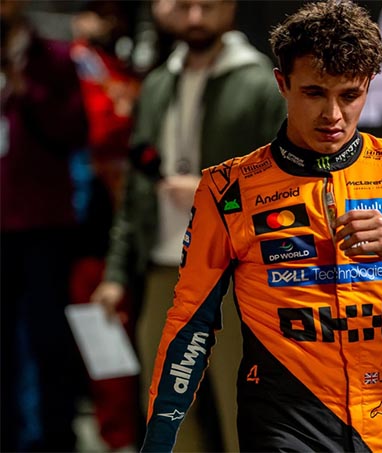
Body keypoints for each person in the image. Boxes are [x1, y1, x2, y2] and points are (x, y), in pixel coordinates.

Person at [141, 1, 382, 452]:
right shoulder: (227, 188)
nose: (333, 114)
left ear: (369, 85)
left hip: (380, 430)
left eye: (349, 95)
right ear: (282, 84)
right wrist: (158, 442)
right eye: (314, 93)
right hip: (282, 426)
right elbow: (190, 325)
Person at [89, 0, 286, 450]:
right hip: (165, 267)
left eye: (206, 6)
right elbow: (135, 190)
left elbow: (285, 180)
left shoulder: (258, 82)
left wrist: (211, 190)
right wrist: (116, 274)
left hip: (235, 271)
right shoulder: (159, 83)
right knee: (165, 415)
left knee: (242, 407)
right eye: (183, 6)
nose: (195, 17)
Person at [0, 0, 89, 450]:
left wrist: (26, 89)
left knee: (49, 337)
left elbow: (74, 129)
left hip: (43, 223)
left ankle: (56, 438)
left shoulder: (51, 58)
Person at [69, 1, 143, 450]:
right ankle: (117, 438)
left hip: (131, 227)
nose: (105, 22)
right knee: (103, 336)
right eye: (98, 12)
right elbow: (104, 129)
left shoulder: (123, 67)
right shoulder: (79, 62)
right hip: (85, 228)